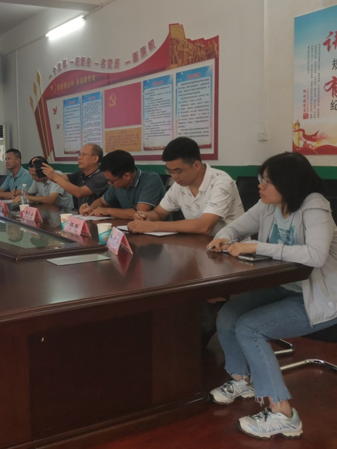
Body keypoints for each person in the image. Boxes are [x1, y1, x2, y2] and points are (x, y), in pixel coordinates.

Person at [206, 152, 337, 439]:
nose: (260, 186)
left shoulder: (314, 205)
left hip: (320, 296)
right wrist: (224, 237)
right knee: (228, 314)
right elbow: (236, 226)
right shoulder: (268, 205)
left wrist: (257, 247)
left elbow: (315, 255)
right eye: (261, 179)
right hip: (284, 288)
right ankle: (241, 380)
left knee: (250, 328)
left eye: (267, 181)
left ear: (288, 183)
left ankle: (283, 414)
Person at [128, 137, 244, 235]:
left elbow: (205, 226)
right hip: (199, 245)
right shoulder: (179, 185)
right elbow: (158, 213)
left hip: (232, 248)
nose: (174, 176)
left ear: (196, 165)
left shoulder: (222, 182)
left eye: (178, 171)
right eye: (170, 171)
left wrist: (154, 226)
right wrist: (147, 216)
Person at [80, 150, 165, 219]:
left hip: (158, 231)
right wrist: (90, 208)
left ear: (126, 176)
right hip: (129, 228)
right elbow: (102, 201)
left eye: (111, 181)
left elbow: (140, 213)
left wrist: (108, 211)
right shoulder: (116, 183)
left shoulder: (150, 179)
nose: (109, 184)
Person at [41, 143, 108, 209]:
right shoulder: (81, 173)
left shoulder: (101, 176)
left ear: (95, 158)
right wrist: (42, 169)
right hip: (83, 214)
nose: (79, 158)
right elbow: (62, 178)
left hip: (98, 215)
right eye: (79, 154)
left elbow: (80, 192)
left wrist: (55, 177)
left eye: (83, 154)